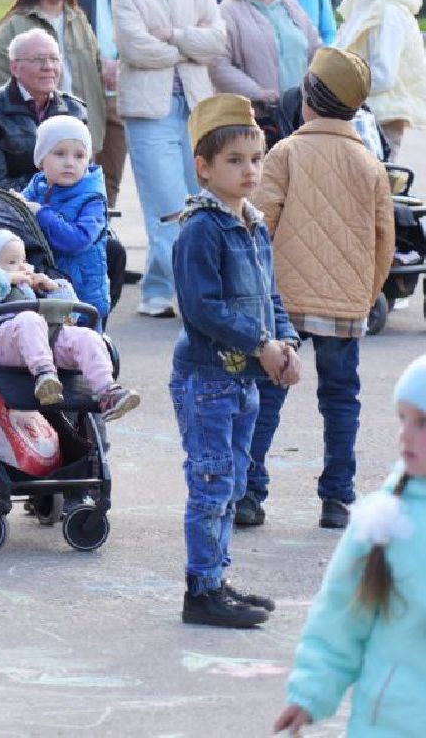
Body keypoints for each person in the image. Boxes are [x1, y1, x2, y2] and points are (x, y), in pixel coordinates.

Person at [243, 48, 394, 533]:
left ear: (306, 102)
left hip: (285, 301)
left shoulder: (285, 152)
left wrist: (257, 294)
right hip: (346, 304)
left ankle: (250, 493)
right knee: (341, 398)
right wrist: (364, 297)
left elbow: (261, 226)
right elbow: (384, 239)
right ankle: (336, 499)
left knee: (267, 394)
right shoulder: (369, 162)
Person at [171, 94, 300, 628]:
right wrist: (260, 345)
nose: (250, 170)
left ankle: (218, 577)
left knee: (233, 480)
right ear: (204, 168)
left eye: (256, 158)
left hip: (245, 377)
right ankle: (201, 590)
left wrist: (286, 341)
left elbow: (270, 295)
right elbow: (203, 309)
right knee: (211, 481)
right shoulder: (201, 227)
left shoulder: (254, 222)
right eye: (234, 161)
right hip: (207, 379)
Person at [272, 358, 426, 738]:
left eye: (422, 423)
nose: (405, 436)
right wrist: (310, 693)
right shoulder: (387, 516)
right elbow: (339, 615)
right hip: (389, 724)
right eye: (402, 419)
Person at [113, 0, 227, 318]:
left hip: (196, 111)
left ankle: (160, 288)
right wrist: (188, 45)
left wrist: (174, 35)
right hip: (149, 114)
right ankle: (182, 292)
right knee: (167, 205)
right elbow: (136, 48)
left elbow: (216, 43)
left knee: (199, 200)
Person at [0, 229, 137, 418]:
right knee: (30, 319)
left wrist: (54, 288)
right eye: (12, 262)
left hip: (42, 340)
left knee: (85, 336)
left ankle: (107, 391)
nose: (21, 267)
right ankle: (45, 376)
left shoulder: (29, 288)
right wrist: (6, 278)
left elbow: (71, 317)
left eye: (23, 260)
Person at [0, 0, 108, 159]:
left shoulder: (79, 20)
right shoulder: (15, 24)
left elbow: (96, 71)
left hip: (79, 125)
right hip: (32, 129)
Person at [213, 0, 320, 143]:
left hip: (302, 116)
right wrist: (257, 92)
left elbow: (317, 51)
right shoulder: (227, 11)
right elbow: (218, 65)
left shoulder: (292, 7)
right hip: (256, 121)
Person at [330, 0, 426, 156]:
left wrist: (340, 87)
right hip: (363, 115)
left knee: (372, 186)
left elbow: (383, 75)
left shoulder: (388, 12)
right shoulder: (365, 3)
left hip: (378, 120)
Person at [68, 0, 133, 207]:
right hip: (82, 88)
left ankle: (104, 235)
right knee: (78, 169)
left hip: (122, 88)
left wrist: (123, 63)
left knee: (112, 174)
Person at [0, 28, 88, 193]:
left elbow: (85, 175)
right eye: (38, 59)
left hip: (67, 208)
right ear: (15, 67)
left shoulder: (74, 110)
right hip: (13, 210)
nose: (48, 67)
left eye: (54, 59)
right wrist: (44, 192)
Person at [21, 115, 113, 322]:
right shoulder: (37, 186)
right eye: (59, 154)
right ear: (41, 160)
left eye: (79, 156)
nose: (69, 163)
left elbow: (77, 240)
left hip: (83, 297)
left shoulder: (93, 200)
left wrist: (41, 213)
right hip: (46, 288)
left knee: (82, 351)